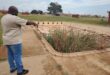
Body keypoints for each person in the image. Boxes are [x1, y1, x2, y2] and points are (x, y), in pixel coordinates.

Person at [1, 6, 38, 75]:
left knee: (10, 55)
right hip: (15, 41)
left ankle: (12, 68)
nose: (17, 14)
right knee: (17, 55)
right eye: (16, 12)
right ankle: (20, 71)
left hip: (6, 40)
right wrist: (34, 23)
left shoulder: (3, 17)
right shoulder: (14, 18)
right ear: (14, 12)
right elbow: (26, 22)